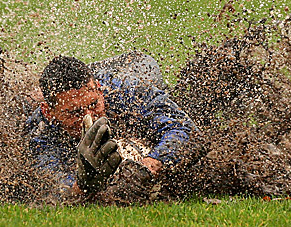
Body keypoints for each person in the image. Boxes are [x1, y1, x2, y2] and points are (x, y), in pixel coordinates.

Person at [24, 52, 197, 197]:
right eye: (74, 113)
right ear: (48, 112)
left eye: (93, 105)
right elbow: (51, 182)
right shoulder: (40, 129)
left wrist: (149, 166)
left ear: (99, 90)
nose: (88, 118)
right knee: (24, 101)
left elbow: (184, 128)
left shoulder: (127, 92)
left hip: (137, 64)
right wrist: (81, 186)